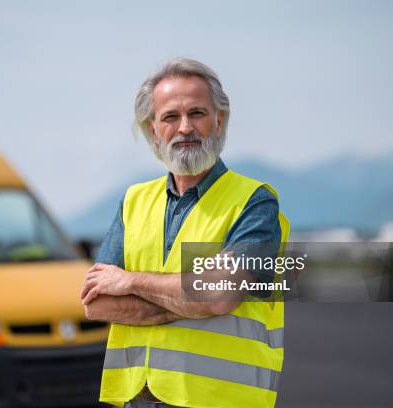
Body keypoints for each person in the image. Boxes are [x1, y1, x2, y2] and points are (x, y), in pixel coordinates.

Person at [81, 58, 289, 408]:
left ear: (219, 119)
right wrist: (191, 298)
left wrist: (130, 282)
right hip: (138, 398)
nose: (185, 128)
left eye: (197, 113)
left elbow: (218, 298)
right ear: (152, 129)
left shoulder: (255, 202)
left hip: (221, 400)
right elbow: (98, 304)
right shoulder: (134, 201)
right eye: (170, 117)